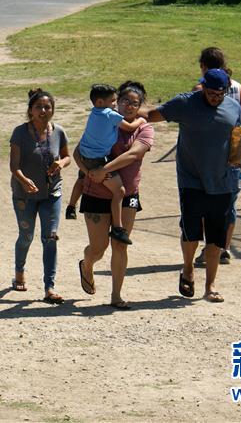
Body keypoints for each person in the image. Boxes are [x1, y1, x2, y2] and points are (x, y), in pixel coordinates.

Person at [138, 69, 241, 303]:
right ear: (203, 87)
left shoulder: (233, 107)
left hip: (223, 181)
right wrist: (122, 111)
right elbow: (151, 115)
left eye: (219, 94)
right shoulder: (185, 103)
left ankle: (210, 286)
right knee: (191, 232)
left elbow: (239, 135)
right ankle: (188, 269)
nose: (215, 98)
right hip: (192, 180)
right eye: (210, 93)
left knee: (216, 238)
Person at [77, 81, 154, 310]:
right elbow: (78, 151)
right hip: (96, 192)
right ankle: (87, 265)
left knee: (120, 244)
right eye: (125, 101)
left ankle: (116, 295)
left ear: (140, 106)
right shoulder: (102, 120)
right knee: (98, 248)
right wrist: (89, 172)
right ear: (116, 101)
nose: (130, 106)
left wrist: (105, 170)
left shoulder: (145, 128)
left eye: (135, 103)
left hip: (128, 193)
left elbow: (133, 155)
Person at [193, 47, 241, 267]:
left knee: (206, 202)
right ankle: (224, 248)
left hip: (211, 153)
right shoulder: (238, 87)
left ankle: (212, 248)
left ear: (204, 66)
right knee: (230, 201)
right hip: (236, 151)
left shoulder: (201, 88)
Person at [9, 88, 71, 304]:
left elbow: (67, 157)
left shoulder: (59, 131)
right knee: (26, 236)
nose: (44, 110)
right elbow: (14, 166)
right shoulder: (20, 133)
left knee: (50, 238)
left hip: (51, 193)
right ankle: (19, 271)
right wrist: (24, 181)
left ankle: (49, 287)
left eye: (48, 107)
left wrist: (60, 163)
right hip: (24, 195)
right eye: (39, 107)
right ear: (30, 110)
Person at [75, 84, 147, 246]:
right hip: (98, 162)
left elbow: (77, 151)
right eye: (114, 101)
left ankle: (72, 205)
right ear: (101, 101)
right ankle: (117, 228)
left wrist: (86, 171)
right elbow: (129, 127)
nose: (115, 104)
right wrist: (142, 119)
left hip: (89, 158)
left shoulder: (94, 113)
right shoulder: (109, 114)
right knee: (119, 191)